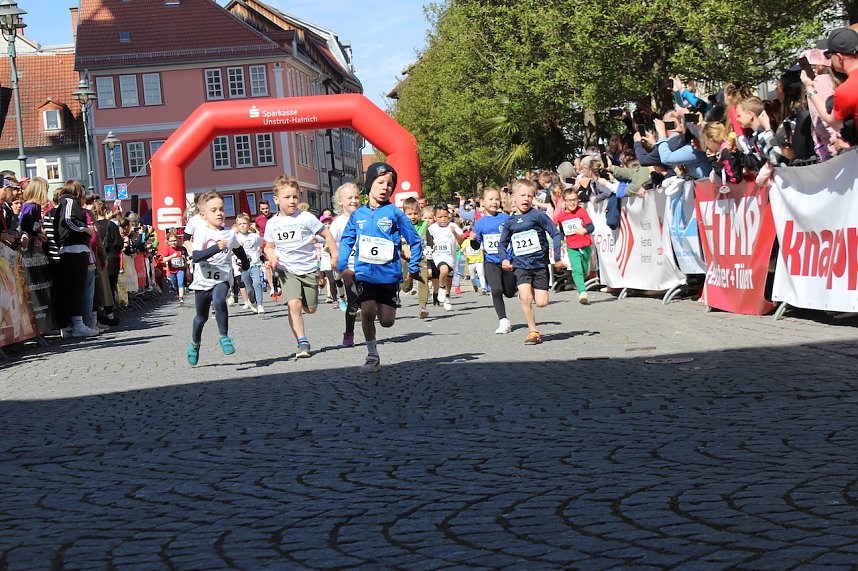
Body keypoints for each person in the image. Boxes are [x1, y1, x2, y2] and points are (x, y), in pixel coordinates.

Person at [337, 162, 423, 373]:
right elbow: (347, 240)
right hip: (364, 272)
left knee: (386, 321)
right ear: (369, 184)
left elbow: (414, 240)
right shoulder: (358, 215)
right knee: (367, 311)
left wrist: (412, 266)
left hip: (389, 275)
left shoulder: (395, 213)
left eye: (390, 184)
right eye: (381, 182)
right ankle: (372, 354)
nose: (385, 187)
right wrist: (343, 267)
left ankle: (382, 317)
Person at [263, 175, 337, 359]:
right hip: (287, 270)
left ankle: (305, 305)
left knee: (310, 309)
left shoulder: (306, 218)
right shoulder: (272, 223)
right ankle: (302, 342)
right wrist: (271, 257)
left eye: (295, 197)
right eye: (287, 197)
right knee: (293, 304)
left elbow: (327, 234)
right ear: (276, 199)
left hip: (309, 268)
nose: (292, 201)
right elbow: (268, 246)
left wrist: (335, 255)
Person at [498, 178, 564, 345]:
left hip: (539, 265)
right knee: (525, 298)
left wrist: (556, 257)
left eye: (530, 195)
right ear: (514, 197)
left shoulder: (538, 216)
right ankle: (533, 331)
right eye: (522, 195)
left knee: (542, 303)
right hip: (520, 265)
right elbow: (502, 244)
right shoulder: (510, 221)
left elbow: (556, 234)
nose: (526, 199)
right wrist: (504, 258)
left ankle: (533, 292)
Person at [187, 191, 249, 366]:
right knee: (201, 318)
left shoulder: (229, 233)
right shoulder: (201, 232)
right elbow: (197, 256)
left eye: (221, 209)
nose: (219, 213)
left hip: (222, 277)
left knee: (219, 299)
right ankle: (195, 343)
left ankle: (224, 337)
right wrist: (216, 247)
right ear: (203, 215)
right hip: (202, 281)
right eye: (213, 210)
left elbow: (237, 249)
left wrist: (245, 263)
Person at [54, 180, 100, 337]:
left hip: (75, 249)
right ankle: (78, 325)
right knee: (76, 289)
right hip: (72, 249)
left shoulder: (68, 202)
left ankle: (75, 324)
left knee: (76, 289)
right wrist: (84, 229)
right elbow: (67, 221)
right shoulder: (68, 201)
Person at [470, 187, 519, 334]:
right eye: (490, 199)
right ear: (483, 202)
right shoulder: (480, 223)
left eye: (497, 199)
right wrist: (472, 240)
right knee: (496, 290)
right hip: (491, 262)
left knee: (509, 292)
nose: (494, 202)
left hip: (507, 260)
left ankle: (514, 288)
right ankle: (503, 321)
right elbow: (476, 245)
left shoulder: (506, 218)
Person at [803, 27, 858, 146]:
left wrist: (809, 88)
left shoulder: (846, 90)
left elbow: (834, 122)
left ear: (839, 57)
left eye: (829, 54)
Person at [329, 182, 361, 346]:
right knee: (353, 302)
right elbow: (330, 241)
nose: (354, 201)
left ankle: (370, 336)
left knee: (368, 302)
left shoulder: (365, 216)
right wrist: (334, 255)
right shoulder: (338, 223)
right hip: (348, 267)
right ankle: (349, 333)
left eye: (356, 197)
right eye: (350, 198)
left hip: (366, 265)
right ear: (340, 201)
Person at [555, 188, 595, 304]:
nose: (572, 203)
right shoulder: (561, 216)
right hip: (572, 247)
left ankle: (581, 283)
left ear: (578, 200)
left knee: (584, 271)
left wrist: (585, 230)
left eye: (574, 200)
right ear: (565, 202)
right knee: (576, 269)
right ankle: (582, 292)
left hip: (585, 245)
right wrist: (559, 242)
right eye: (569, 200)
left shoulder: (581, 211)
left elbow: (592, 227)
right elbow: (561, 232)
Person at [427, 204, 464, 311]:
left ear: (449, 216)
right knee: (444, 270)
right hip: (438, 256)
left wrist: (454, 233)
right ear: (435, 218)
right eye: (440, 217)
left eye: (445, 216)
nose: (443, 219)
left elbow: (461, 241)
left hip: (451, 256)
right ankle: (441, 288)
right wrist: (431, 246)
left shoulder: (453, 226)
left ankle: (447, 296)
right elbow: (426, 239)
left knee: (449, 278)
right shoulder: (432, 228)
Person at [400, 197, 430, 317]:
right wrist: (405, 248)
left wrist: (431, 243)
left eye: (415, 213)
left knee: (424, 280)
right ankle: (406, 286)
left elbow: (426, 234)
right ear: (404, 214)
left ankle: (423, 306)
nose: (413, 216)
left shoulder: (424, 224)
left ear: (420, 213)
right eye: (409, 214)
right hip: (405, 257)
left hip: (420, 257)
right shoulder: (401, 226)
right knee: (406, 285)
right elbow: (397, 240)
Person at [234, 213, 265, 314]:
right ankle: (252, 301)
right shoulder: (235, 238)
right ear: (237, 226)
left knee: (257, 283)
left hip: (254, 264)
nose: (242, 225)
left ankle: (260, 304)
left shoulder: (254, 236)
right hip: (243, 267)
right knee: (249, 288)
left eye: (244, 223)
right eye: (240, 224)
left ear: (248, 225)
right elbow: (229, 252)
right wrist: (238, 249)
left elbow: (263, 244)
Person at [162, 231, 188, 304]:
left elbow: (186, 258)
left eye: (175, 240)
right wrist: (172, 256)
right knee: (174, 284)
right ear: (168, 242)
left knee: (180, 282)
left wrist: (184, 260)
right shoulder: (167, 249)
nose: (173, 242)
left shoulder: (181, 248)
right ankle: (177, 291)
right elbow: (164, 259)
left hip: (180, 269)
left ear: (177, 240)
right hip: (172, 270)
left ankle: (181, 298)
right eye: (171, 241)